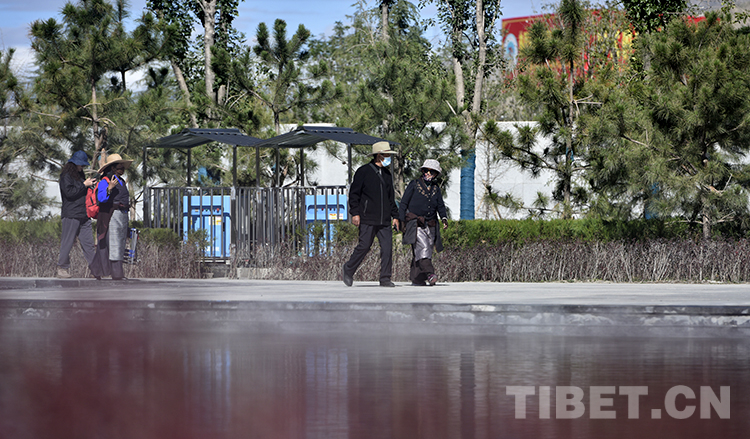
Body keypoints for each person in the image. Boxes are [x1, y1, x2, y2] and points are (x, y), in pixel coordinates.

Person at [342, 141, 400, 287]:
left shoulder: (387, 174)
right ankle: (348, 269)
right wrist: (355, 213)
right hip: (367, 217)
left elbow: (391, 198)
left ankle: (385, 278)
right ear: (379, 155)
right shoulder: (363, 171)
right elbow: (354, 194)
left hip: (384, 220)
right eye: (387, 154)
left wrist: (395, 216)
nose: (389, 157)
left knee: (387, 248)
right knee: (364, 246)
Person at [398, 159, 448, 286]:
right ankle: (430, 274)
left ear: (436, 174)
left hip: (431, 224)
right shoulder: (414, 184)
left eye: (432, 172)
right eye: (426, 170)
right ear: (422, 171)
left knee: (426, 250)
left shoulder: (436, 188)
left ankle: (417, 278)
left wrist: (444, 218)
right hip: (416, 223)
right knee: (423, 247)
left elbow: (441, 206)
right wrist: (400, 220)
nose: (428, 173)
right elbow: (404, 203)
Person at [91, 153, 133, 280]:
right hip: (112, 216)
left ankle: (98, 270)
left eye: (122, 167)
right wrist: (109, 189)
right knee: (114, 244)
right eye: (119, 167)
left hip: (122, 215)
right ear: (112, 168)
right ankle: (117, 274)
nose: (122, 169)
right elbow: (101, 198)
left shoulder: (121, 181)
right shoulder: (105, 181)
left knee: (118, 243)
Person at [57, 151, 98, 278]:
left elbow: (81, 192)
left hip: (84, 214)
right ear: (74, 164)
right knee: (67, 242)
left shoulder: (80, 176)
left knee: (89, 244)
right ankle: (62, 268)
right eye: (81, 165)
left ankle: (95, 269)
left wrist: (89, 185)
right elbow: (69, 193)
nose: (82, 167)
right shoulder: (66, 176)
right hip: (71, 214)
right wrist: (84, 185)